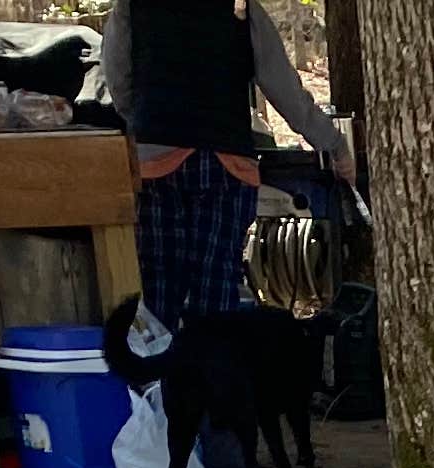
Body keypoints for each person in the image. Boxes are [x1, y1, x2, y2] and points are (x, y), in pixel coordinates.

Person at [99, 0, 354, 327]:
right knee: (215, 288)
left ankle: (159, 371)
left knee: (158, 284)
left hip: (155, 161)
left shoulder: (132, 7)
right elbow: (285, 91)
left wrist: (147, 123)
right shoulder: (240, 8)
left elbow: (118, 80)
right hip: (225, 162)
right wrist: (334, 145)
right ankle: (210, 370)